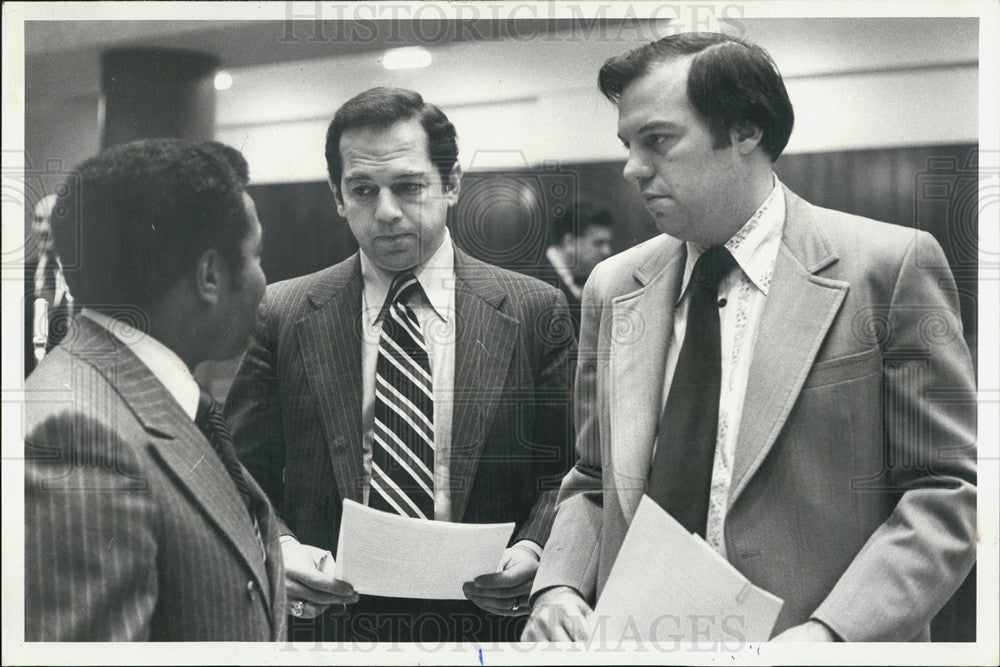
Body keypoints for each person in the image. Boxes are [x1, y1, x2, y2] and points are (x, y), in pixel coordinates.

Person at [523, 32, 977, 642]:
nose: (632, 169)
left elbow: (944, 493)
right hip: (637, 637)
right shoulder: (612, 285)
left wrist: (831, 636)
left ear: (745, 131)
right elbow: (594, 477)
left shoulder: (888, 267)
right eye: (628, 145)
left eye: (657, 140)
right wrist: (558, 585)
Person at [225, 87, 575, 642]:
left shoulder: (534, 310)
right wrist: (280, 547)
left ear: (452, 183)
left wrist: (536, 547)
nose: (385, 212)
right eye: (362, 190)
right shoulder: (284, 312)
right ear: (338, 197)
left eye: (409, 186)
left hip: (484, 624)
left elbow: (568, 470)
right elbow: (241, 470)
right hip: (332, 622)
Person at [24, 138, 285, 641]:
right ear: (210, 275)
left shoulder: (127, 397)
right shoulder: (78, 439)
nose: (263, 279)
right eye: (257, 255)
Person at [523, 204, 614, 335]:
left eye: (608, 243)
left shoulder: (589, 278)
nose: (607, 251)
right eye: (598, 243)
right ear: (570, 242)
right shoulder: (531, 283)